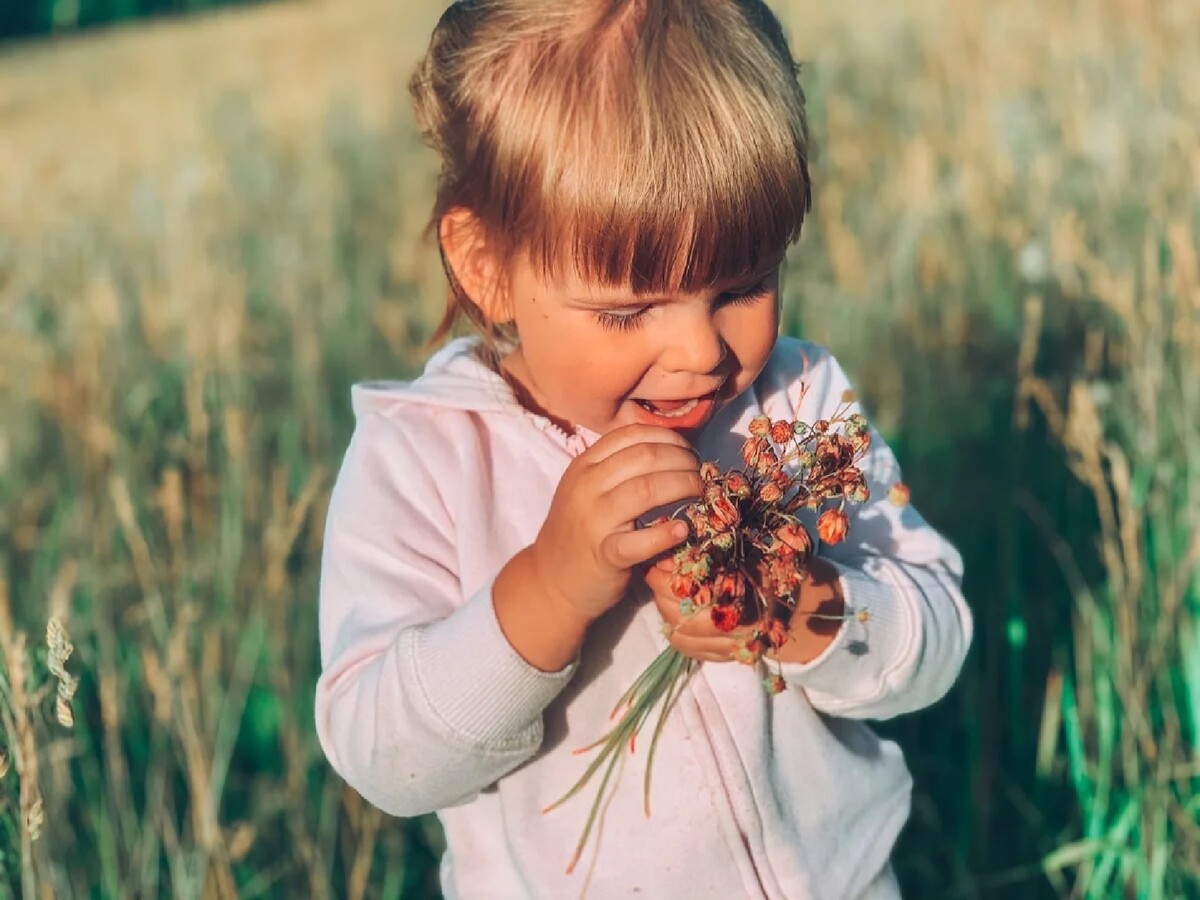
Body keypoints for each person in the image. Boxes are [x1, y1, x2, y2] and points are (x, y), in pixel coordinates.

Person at [314, 1, 973, 897]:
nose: (701, 352)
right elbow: (383, 756)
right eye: (627, 312)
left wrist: (806, 609)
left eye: (744, 285)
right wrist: (546, 590)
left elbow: (935, 636)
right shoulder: (426, 458)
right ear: (486, 266)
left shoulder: (797, 404)